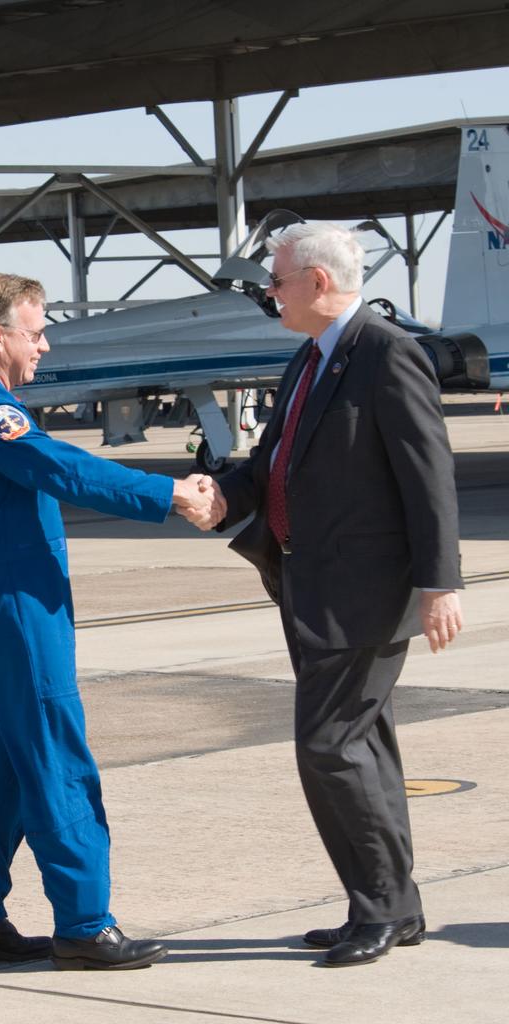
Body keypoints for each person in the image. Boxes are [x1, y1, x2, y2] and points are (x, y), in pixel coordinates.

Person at [195, 222, 463, 967]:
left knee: (329, 746)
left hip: (365, 592)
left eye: (276, 280)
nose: (269, 292)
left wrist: (440, 582)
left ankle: (378, 907)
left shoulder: (385, 353)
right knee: (362, 746)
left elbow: (427, 474)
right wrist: (220, 494)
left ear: (317, 282)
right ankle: (390, 907)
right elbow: (272, 459)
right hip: (309, 583)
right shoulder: (309, 360)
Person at [0, 273, 217, 971]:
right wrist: (168, 493)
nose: (45, 344)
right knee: (59, 763)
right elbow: (64, 469)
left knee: (3, 769)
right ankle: (85, 925)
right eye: (35, 332)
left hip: (0, 603)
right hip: (21, 613)